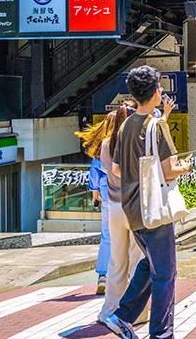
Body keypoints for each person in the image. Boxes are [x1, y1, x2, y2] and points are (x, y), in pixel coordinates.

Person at [102, 65, 190, 339]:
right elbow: (168, 170)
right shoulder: (157, 125)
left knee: (149, 264)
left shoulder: (126, 124)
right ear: (154, 92)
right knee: (165, 274)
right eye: (160, 88)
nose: (161, 91)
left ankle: (121, 315)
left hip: (132, 210)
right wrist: (184, 167)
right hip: (153, 210)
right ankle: (161, 334)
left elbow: (116, 169)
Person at [97, 105, 146, 326]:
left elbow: (109, 171)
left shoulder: (106, 144)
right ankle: (138, 313)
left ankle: (109, 310)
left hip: (114, 206)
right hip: (133, 206)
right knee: (138, 259)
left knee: (116, 261)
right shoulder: (135, 142)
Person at [77, 114, 115, 296]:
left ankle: (103, 276)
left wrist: (95, 195)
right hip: (123, 193)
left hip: (106, 193)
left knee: (107, 235)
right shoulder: (121, 142)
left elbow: (95, 175)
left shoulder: (101, 147)